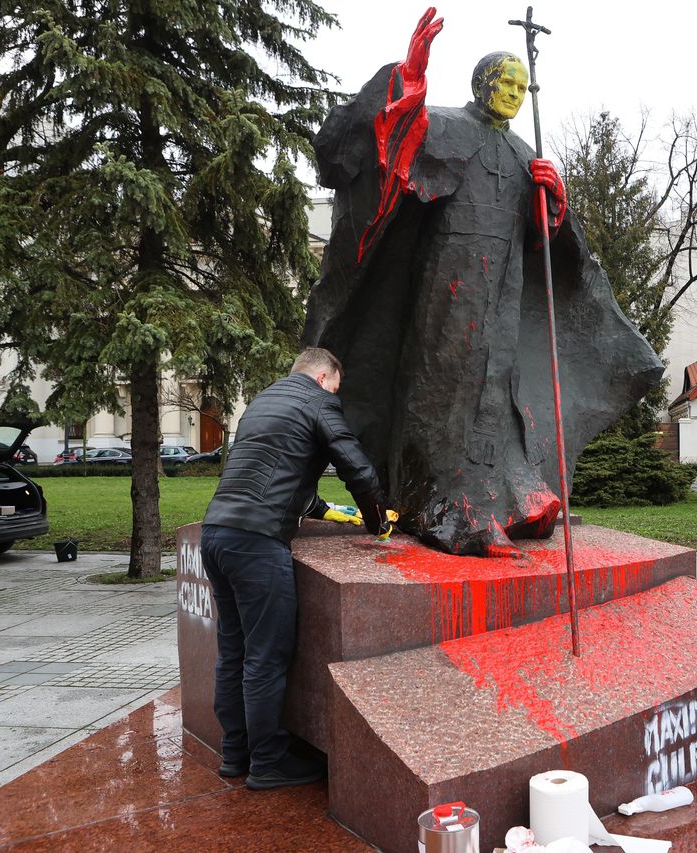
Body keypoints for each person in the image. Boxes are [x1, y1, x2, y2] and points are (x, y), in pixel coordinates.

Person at [302, 9, 662, 557]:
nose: (517, 94)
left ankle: (503, 499)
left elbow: (543, 243)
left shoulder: (523, 153)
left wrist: (553, 203)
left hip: (505, 284)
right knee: (446, 388)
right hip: (448, 282)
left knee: (497, 388)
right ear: (482, 84)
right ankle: (442, 504)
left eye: (523, 86)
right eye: (507, 84)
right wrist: (411, 76)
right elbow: (393, 151)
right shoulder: (448, 126)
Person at [201, 347, 387, 790]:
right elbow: (355, 466)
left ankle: (235, 751)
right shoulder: (317, 400)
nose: (335, 396)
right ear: (324, 377)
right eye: (336, 389)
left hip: (217, 532)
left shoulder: (262, 402)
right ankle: (267, 761)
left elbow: (276, 473)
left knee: (233, 651)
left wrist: (327, 511)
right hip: (257, 544)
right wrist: (379, 520)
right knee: (266, 656)